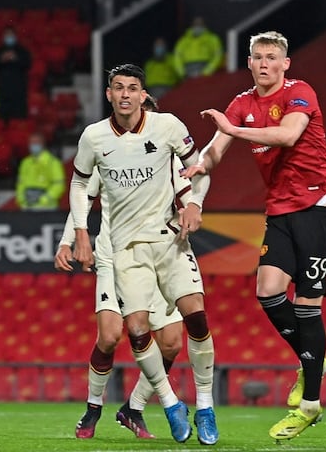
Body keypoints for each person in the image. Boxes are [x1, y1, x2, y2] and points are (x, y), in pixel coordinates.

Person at [183, 30, 326, 441]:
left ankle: (310, 404)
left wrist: (233, 132)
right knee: (268, 292)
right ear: (250, 62)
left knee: (308, 305)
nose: (264, 64)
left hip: (318, 207)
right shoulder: (241, 103)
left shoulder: (299, 91)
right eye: (257, 57)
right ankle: (314, 361)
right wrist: (198, 170)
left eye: (272, 57)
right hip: (280, 210)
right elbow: (215, 149)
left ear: (285, 63)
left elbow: (288, 135)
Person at [69, 64, 218, 445]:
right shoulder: (95, 138)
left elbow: (195, 167)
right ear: (108, 94)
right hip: (122, 249)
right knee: (124, 331)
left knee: (191, 322)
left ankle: (203, 406)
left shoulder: (167, 129)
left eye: (132, 88)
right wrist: (78, 234)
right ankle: (165, 404)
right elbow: (81, 184)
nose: (124, 95)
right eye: (117, 88)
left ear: (142, 95)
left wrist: (195, 204)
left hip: (169, 242)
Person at [56, 95, 185, 440]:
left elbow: (192, 194)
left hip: (161, 254)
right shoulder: (111, 158)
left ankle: (134, 407)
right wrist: (68, 240)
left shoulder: (175, 164)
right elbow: (82, 195)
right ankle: (93, 406)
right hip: (117, 256)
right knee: (111, 335)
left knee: (172, 342)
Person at [0, 26, 31, 123]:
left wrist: (16, 59)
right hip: (2, 90)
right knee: (2, 118)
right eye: (7, 35)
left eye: (10, 35)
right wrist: (1, 60)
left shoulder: (22, 50)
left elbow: (28, 64)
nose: (8, 37)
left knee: (18, 117)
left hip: (18, 90)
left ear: (15, 36)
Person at [15, 131, 65, 211]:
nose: (33, 145)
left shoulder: (53, 162)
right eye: (31, 143)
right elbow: (20, 184)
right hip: (27, 206)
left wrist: (44, 199)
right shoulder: (25, 162)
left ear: (43, 144)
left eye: (36, 142)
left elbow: (59, 185)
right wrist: (22, 200)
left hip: (47, 208)